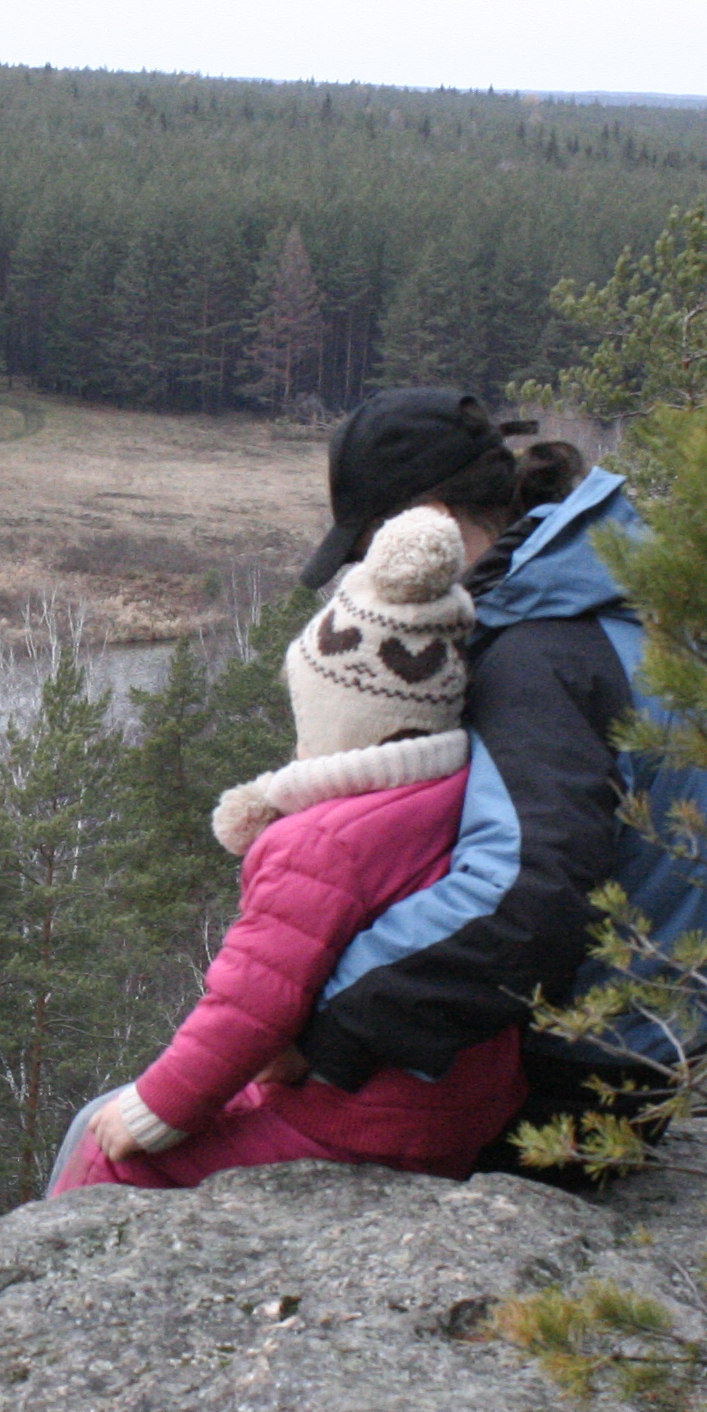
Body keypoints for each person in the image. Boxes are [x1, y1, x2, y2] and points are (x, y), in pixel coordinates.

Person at [285, 389, 707, 1152]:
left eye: (367, 551)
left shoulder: (539, 655)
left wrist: (325, 1022)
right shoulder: (599, 598)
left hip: (568, 1083)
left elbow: (525, 897)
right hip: (649, 1052)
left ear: (430, 521)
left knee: (142, 1136)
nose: (366, 581)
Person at [51, 505, 526, 1192]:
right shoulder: (463, 791)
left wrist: (155, 1110)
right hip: (459, 1110)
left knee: (112, 1154)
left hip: (360, 1120)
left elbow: (250, 1007)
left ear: (340, 718)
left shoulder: (317, 844)